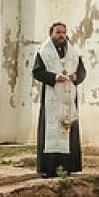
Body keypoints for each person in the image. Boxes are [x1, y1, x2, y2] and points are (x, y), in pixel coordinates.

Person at [31, 22, 86, 177]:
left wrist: (76, 77)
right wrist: (54, 77)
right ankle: (48, 169)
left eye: (63, 32)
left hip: (69, 97)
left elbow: (82, 72)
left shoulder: (73, 53)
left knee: (69, 130)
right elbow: (37, 72)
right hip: (52, 97)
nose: (61, 35)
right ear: (51, 34)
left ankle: (69, 167)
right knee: (51, 131)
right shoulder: (44, 52)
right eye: (58, 32)